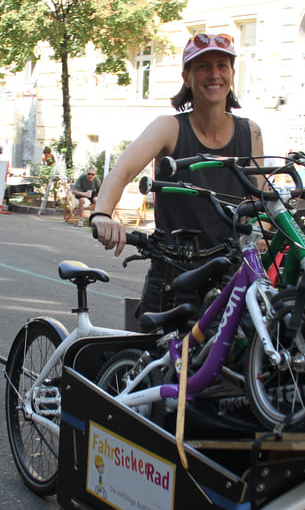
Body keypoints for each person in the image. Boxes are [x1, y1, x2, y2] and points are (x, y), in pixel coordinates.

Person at [91, 33, 264, 313]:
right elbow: (121, 172)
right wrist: (101, 215)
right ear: (187, 77)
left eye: (222, 65)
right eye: (203, 67)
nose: (214, 74)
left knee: (242, 354)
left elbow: (260, 202)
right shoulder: (169, 128)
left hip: (229, 274)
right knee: (153, 354)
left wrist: (262, 234)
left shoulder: (250, 132)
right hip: (173, 275)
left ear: (232, 74)